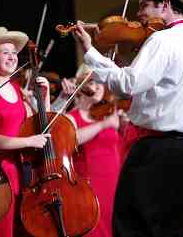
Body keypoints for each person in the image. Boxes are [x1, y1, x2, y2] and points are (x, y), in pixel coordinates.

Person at [72, 0, 183, 237]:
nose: (138, 14)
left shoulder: (162, 40)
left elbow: (128, 84)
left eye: (144, 5)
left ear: (164, 5)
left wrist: (91, 52)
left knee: (132, 227)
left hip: (158, 149)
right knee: (171, 229)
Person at [0, 26, 50, 237]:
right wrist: (29, 141)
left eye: (14, 53)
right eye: (5, 52)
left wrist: (45, 97)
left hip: (24, 169)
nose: (12, 57)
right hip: (0, 171)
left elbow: (39, 125)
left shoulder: (16, 88)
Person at [66, 64, 121, 237]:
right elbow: (72, 139)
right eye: (92, 82)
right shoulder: (71, 117)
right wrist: (103, 125)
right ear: (81, 85)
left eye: (101, 82)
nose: (98, 86)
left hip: (114, 182)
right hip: (90, 186)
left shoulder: (107, 113)